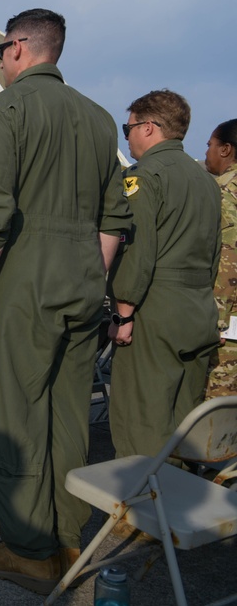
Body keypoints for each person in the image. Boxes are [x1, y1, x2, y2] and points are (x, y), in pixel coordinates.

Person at [0, 9, 132, 594]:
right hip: (84, 284)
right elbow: (115, 218)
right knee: (67, 416)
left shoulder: (4, 111)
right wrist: (89, 272)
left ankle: (29, 551)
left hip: (22, 283)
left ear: (18, 48)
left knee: (12, 414)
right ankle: (65, 536)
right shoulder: (100, 117)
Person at [109, 91, 220, 458]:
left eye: (128, 128)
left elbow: (136, 252)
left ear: (149, 127)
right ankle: (179, 507)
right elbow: (214, 252)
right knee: (184, 424)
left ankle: (141, 512)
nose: (127, 136)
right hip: (198, 310)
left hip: (155, 313)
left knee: (141, 423)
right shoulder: (205, 180)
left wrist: (123, 313)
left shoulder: (144, 177)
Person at [205, 119, 237, 399]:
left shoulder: (224, 194)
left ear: (226, 149)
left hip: (230, 333)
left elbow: (227, 261)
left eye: (210, 145)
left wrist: (216, 322)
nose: (207, 153)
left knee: (218, 415)